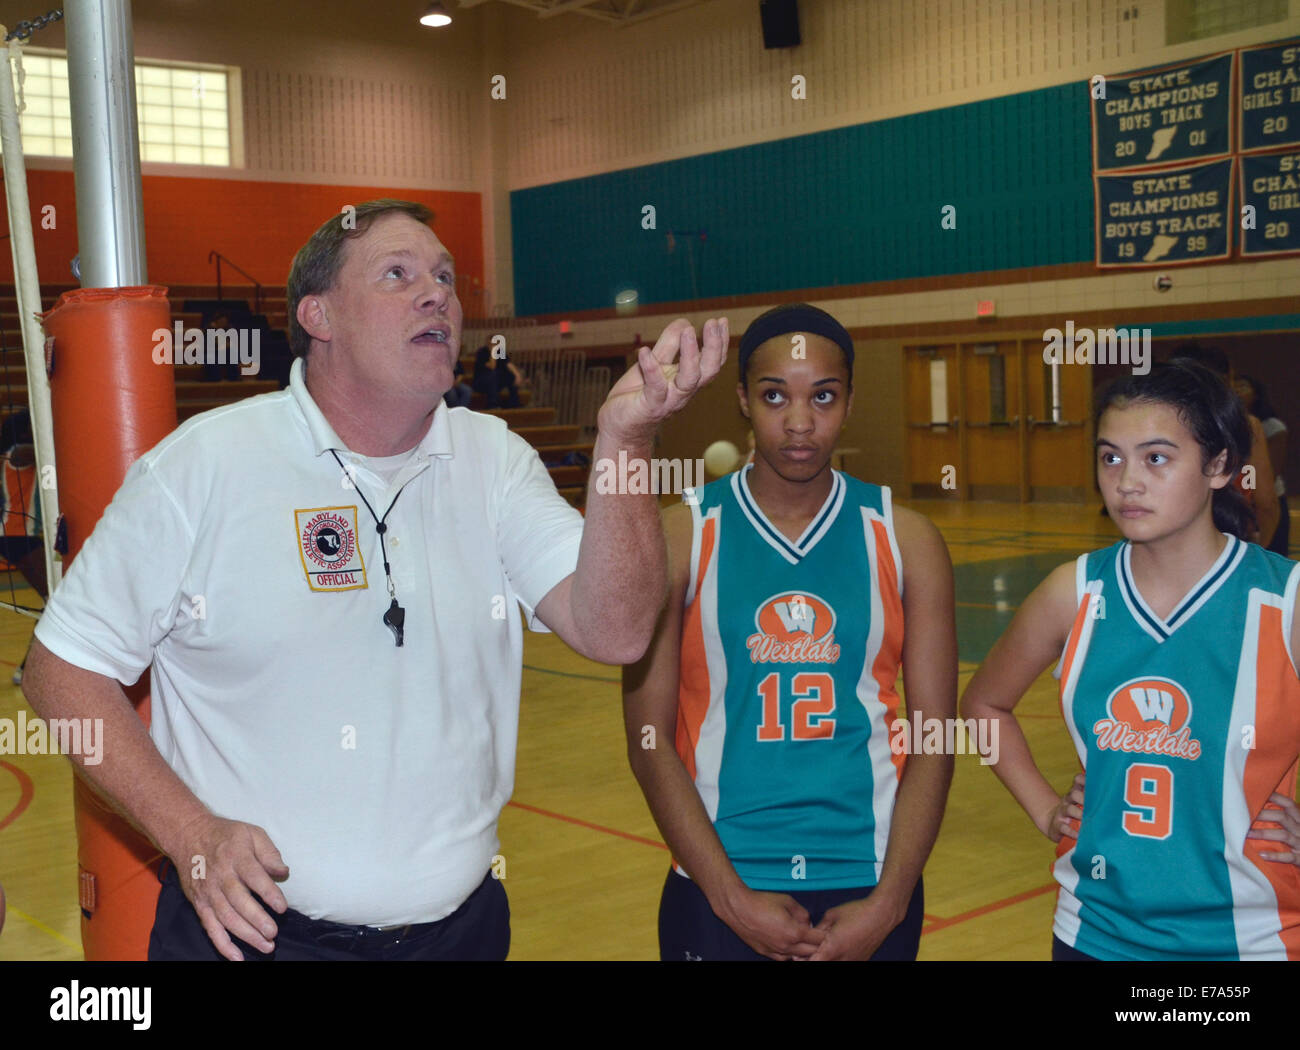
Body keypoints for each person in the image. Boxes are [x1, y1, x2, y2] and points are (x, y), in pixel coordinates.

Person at [22, 199, 729, 961]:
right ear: (318, 315)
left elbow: (618, 629)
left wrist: (626, 438)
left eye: (446, 278)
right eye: (398, 274)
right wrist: (190, 832)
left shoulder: (494, 460)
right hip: (250, 940)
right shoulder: (205, 466)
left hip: (460, 935)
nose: (438, 295)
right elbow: (59, 671)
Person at [623, 303, 956, 961]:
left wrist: (890, 903)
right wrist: (728, 897)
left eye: (823, 397)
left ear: (850, 400)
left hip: (870, 883)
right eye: (776, 396)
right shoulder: (682, 534)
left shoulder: (907, 539)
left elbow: (935, 736)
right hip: (722, 880)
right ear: (743, 399)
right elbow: (647, 737)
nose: (800, 423)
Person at [961, 359, 1300, 961]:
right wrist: (1045, 810)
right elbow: (984, 704)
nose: (1126, 482)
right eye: (1111, 457)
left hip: (1251, 944)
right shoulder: (1074, 593)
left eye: (1156, 458)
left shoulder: (1285, 601)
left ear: (1220, 466)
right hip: (1093, 933)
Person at [1167, 344, 1279, 549]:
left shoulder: (1157, 426)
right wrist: (1260, 550)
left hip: (1170, 543)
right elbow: (1266, 502)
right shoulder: (1245, 425)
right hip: (1233, 540)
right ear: (1226, 379)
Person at [1234, 372, 1289, 557]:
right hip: (1245, 500)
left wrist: (1248, 490)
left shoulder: (1270, 425)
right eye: (1236, 386)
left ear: (1256, 393)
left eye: (1244, 387)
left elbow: (1271, 471)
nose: (1238, 391)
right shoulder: (1230, 422)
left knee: (1272, 558)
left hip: (1265, 498)